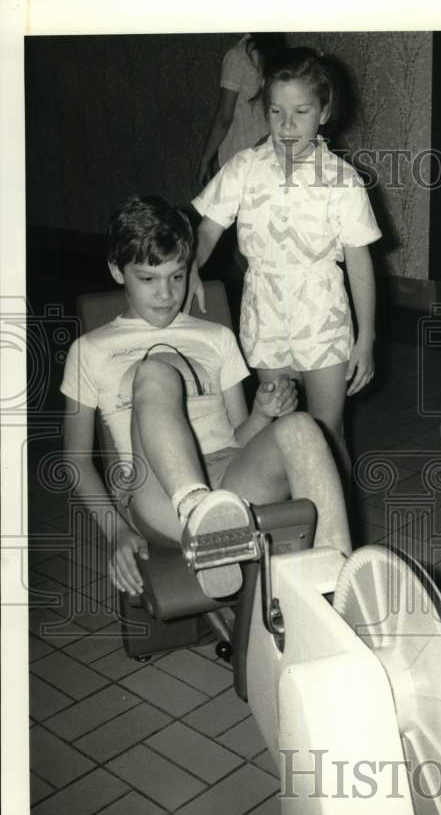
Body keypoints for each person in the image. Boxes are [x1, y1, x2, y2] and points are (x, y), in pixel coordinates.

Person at [61, 195, 351, 601]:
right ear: (116, 270)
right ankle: (199, 514)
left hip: (230, 479)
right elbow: (75, 460)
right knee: (156, 371)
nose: (165, 294)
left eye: (177, 277)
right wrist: (117, 531)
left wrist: (261, 413)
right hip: (159, 496)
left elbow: (238, 437)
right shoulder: (89, 350)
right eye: (148, 279)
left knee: (302, 426)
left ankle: (338, 584)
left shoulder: (214, 337)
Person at [190, 46, 382, 480]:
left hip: (323, 316)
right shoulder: (244, 167)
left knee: (327, 434)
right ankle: (291, 531)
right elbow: (207, 230)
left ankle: (336, 534)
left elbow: (359, 261)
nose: (288, 125)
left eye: (301, 112)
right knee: (278, 429)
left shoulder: (341, 179)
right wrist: (192, 270)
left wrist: (366, 337)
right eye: (277, 112)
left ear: (324, 112)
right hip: (266, 313)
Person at [196, 33, 288, 187]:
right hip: (270, 150)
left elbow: (224, 117)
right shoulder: (278, 52)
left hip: (240, 153)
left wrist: (205, 159)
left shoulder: (236, 57)